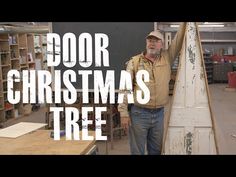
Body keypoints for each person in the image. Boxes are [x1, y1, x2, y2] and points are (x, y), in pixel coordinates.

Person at [118, 23, 186, 155]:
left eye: (156, 41)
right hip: (138, 114)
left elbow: (178, 40)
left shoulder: (167, 58)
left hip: (159, 114)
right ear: (146, 43)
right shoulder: (135, 62)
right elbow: (125, 88)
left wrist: (185, 24)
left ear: (162, 45)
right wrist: (123, 113)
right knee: (137, 151)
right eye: (150, 40)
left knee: (156, 150)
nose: (152, 43)